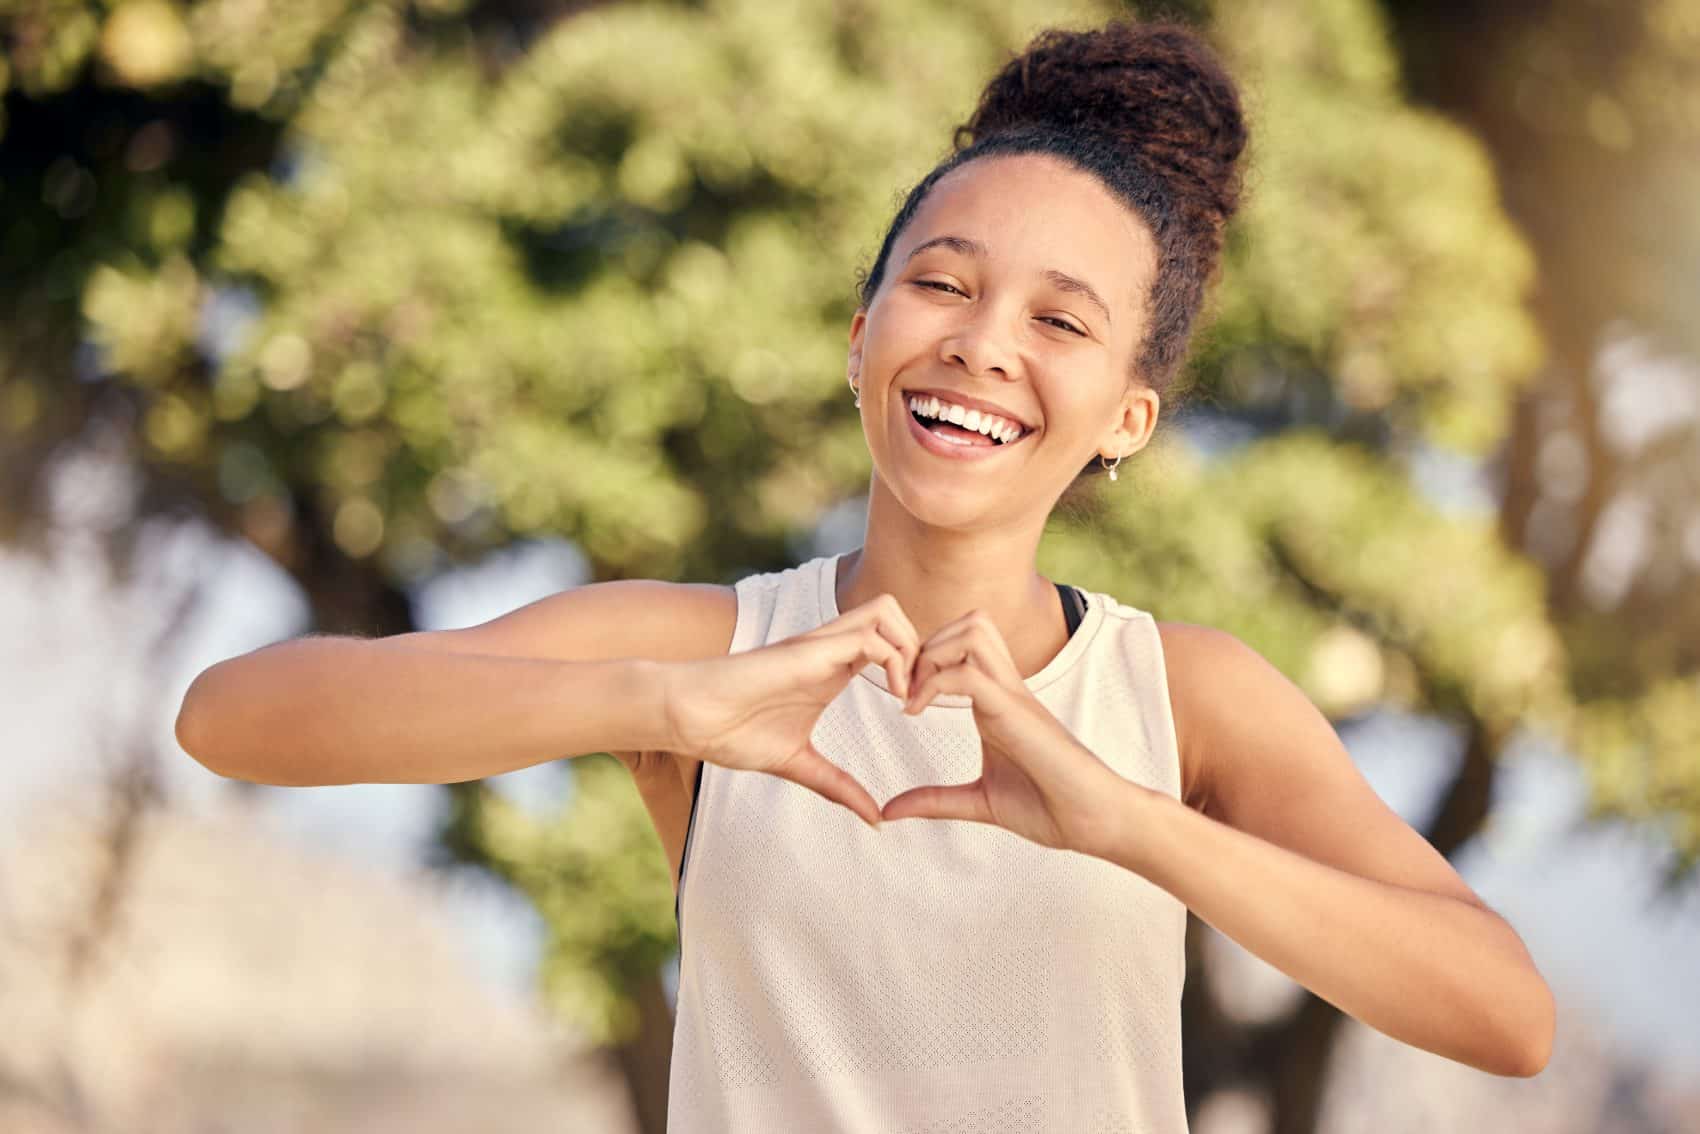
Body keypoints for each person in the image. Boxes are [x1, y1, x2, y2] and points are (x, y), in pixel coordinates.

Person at [175, 15, 1556, 1132]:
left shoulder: (1181, 694)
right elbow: (233, 717)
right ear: (859, 336)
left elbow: (1504, 1010)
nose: (982, 344)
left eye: (1060, 319)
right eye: (943, 283)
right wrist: (663, 706)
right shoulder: (706, 649)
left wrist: (1128, 822)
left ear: (1128, 415)